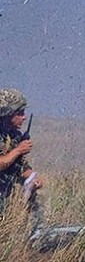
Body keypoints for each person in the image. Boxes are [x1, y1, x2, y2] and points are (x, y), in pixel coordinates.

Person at [0, 88, 42, 216]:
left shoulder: (13, 136)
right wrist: (18, 150)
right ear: (7, 114)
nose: (24, 118)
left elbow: (21, 166)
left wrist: (32, 178)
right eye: (20, 113)